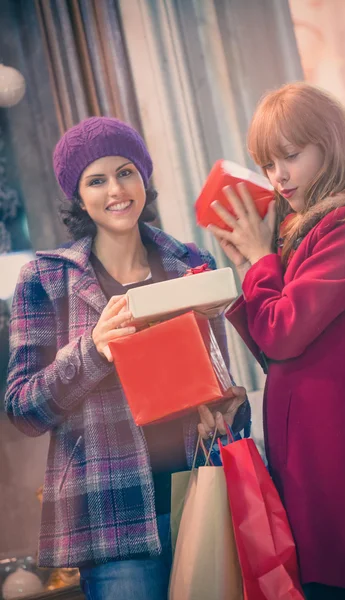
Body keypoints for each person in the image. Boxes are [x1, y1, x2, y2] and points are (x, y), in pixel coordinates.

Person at [5, 116, 250, 600]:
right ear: (77, 196)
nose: (116, 190)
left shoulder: (188, 263)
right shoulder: (46, 279)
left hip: (200, 493)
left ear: (143, 177)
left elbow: (216, 382)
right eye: (96, 180)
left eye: (126, 172)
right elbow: (22, 407)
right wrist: (93, 349)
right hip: (110, 520)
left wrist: (226, 407)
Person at [208, 82, 345, 600]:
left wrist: (258, 258)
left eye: (291, 156)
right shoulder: (312, 227)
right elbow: (276, 352)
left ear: (330, 143)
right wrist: (254, 262)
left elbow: (283, 330)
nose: (279, 177)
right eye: (268, 164)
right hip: (314, 452)